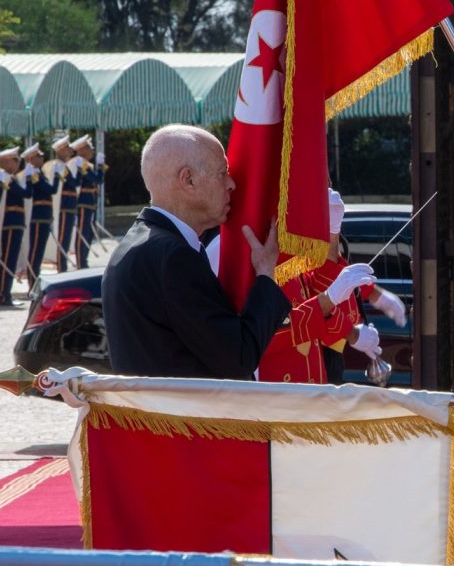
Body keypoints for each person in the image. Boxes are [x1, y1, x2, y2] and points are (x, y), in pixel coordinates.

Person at [102, 124, 291, 379]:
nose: (232, 184)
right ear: (188, 179)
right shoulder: (173, 257)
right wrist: (266, 275)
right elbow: (238, 358)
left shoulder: (138, 244)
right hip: (184, 416)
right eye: (222, 173)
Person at [0, 147, 29, 307]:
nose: (17, 164)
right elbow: (25, 194)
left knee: (11, 260)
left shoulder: (11, 179)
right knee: (8, 260)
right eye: (16, 161)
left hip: (16, 223)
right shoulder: (5, 179)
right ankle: (3, 295)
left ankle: (5, 293)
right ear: (7, 162)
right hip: (10, 225)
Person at [22, 143, 57, 283]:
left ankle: (34, 280)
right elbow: (51, 190)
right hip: (38, 218)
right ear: (31, 159)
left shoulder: (40, 174)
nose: (42, 158)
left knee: (39, 253)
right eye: (39, 156)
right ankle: (32, 282)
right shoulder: (34, 175)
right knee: (35, 253)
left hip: (45, 217)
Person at [71, 135, 102, 269]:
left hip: (90, 202)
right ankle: (80, 262)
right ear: (82, 150)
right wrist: (100, 166)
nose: (92, 150)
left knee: (88, 233)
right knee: (83, 233)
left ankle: (83, 260)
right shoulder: (80, 163)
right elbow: (97, 179)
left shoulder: (86, 164)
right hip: (84, 203)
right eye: (89, 147)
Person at [52, 136, 79, 272]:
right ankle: (61, 268)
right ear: (61, 150)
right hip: (64, 207)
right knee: (63, 239)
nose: (70, 150)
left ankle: (63, 267)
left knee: (66, 239)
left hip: (69, 207)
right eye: (67, 148)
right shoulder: (58, 166)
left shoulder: (65, 166)